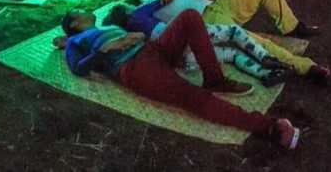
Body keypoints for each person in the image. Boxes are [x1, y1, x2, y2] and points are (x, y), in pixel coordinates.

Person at [60, 8, 302, 150]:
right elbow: (78, 68)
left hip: (151, 50)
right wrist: (104, 49)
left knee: (189, 17)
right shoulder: (73, 42)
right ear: (73, 22)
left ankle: (214, 78)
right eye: (80, 10)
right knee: (192, 97)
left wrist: (133, 36)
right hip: (134, 68)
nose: (86, 9)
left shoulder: (103, 26)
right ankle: (267, 126)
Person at [148, 0, 330, 83]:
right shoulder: (143, 16)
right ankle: (306, 67)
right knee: (259, 42)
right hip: (207, 21)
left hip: (219, 4)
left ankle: (292, 26)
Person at [105, 0, 295, 87]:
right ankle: (266, 58)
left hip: (181, 60)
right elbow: (161, 0)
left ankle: (265, 74)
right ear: (126, 10)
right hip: (181, 38)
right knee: (233, 32)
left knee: (231, 55)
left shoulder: (129, 36)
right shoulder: (136, 13)